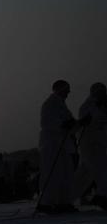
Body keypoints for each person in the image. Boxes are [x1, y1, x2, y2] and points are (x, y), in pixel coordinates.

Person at [38, 80, 89, 214]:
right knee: (53, 173)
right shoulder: (50, 104)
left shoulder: (62, 106)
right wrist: (63, 125)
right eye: (66, 89)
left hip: (64, 145)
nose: (68, 93)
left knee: (66, 174)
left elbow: (71, 126)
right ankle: (46, 203)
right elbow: (47, 123)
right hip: (52, 144)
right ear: (59, 89)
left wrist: (80, 123)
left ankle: (63, 202)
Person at [74, 83, 107, 209]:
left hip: (100, 144)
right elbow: (85, 122)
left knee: (85, 174)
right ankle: (101, 197)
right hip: (90, 145)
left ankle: (67, 197)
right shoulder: (87, 106)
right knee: (101, 170)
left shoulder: (103, 106)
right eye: (100, 91)